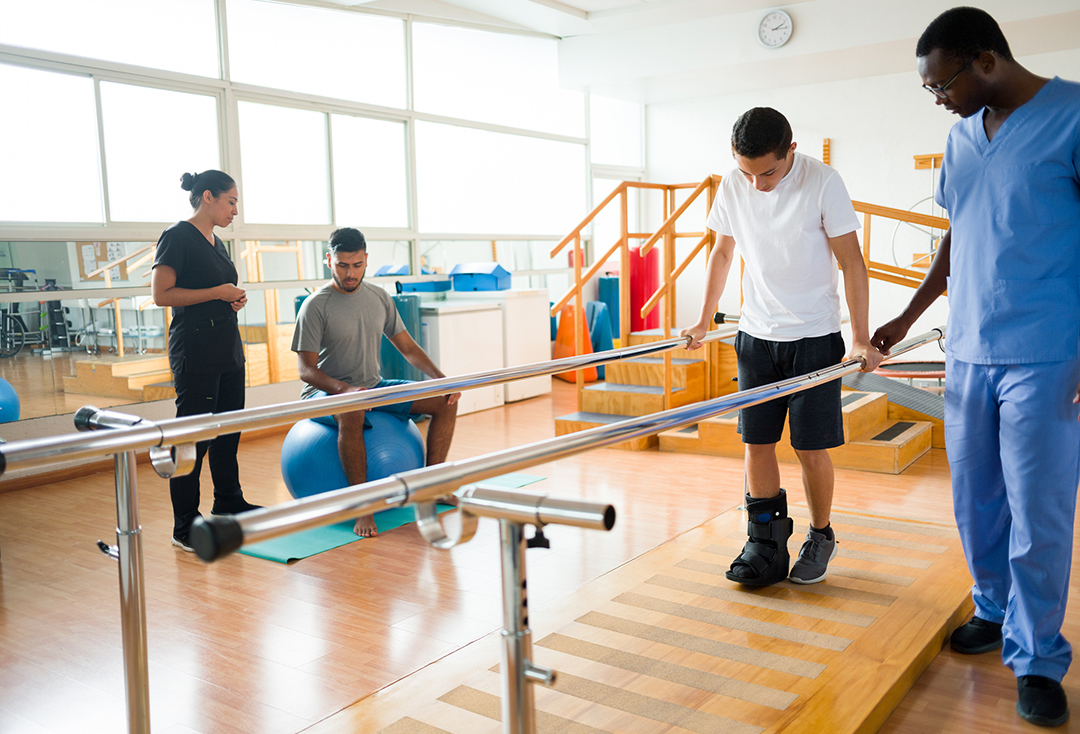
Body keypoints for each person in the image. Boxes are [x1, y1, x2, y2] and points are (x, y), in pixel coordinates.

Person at [871, 8, 1080, 728]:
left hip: (1046, 352)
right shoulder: (961, 139)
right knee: (976, 502)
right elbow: (959, 236)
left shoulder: (1074, 115)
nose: (939, 98)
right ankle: (992, 609)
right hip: (969, 349)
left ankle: (1038, 657)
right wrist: (907, 314)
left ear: (984, 60)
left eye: (941, 84)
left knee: (1040, 511)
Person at [681, 107, 882, 588]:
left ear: (791, 150)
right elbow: (723, 252)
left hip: (814, 336)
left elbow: (852, 262)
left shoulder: (822, 181)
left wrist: (858, 336)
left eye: (767, 172)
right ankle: (766, 541)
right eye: (747, 172)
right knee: (757, 442)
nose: (757, 185)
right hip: (756, 336)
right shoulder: (734, 184)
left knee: (810, 447)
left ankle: (820, 534)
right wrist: (704, 318)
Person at [292, 227, 460, 538]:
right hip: (324, 393)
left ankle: (432, 486)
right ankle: (363, 507)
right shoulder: (315, 305)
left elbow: (408, 347)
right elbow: (306, 370)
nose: (350, 273)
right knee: (353, 409)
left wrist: (441, 380)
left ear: (367, 260)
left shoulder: (379, 298)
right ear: (329, 260)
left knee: (445, 402)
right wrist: (345, 390)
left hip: (372, 385)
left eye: (357, 265)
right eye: (342, 265)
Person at [151, 170, 261, 552]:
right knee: (193, 439)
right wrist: (217, 291)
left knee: (228, 430)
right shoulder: (177, 236)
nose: (235, 210)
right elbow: (162, 294)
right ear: (208, 197)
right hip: (195, 351)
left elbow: (212, 292)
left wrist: (230, 299)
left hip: (227, 348)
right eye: (231, 202)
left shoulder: (217, 241)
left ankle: (228, 500)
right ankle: (185, 525)